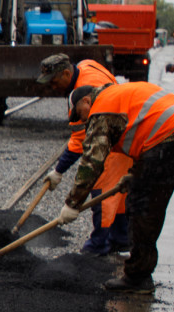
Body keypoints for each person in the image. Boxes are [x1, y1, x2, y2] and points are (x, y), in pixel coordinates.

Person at [59, 81, 174, 298]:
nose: (82, 120)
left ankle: (138, 277)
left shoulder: (102, 107)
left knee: (142, 206)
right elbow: (148, 130)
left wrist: (73, 203)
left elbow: (92, 161)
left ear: (86, 100)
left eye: (80, 114)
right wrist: (135, 174)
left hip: (172, 139)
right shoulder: (124, 94)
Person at [36, 52, 129, 254]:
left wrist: (60, 172)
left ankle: (98, 245)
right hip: (120, 131)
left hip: (113, 137)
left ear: (67, 73)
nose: (52, 87)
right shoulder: (86, 65)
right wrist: (58, 171)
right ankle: (121, 238)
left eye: (53, 82)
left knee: (102, 190)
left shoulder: (86, 90)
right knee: (118, 192)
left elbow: (79, 141)